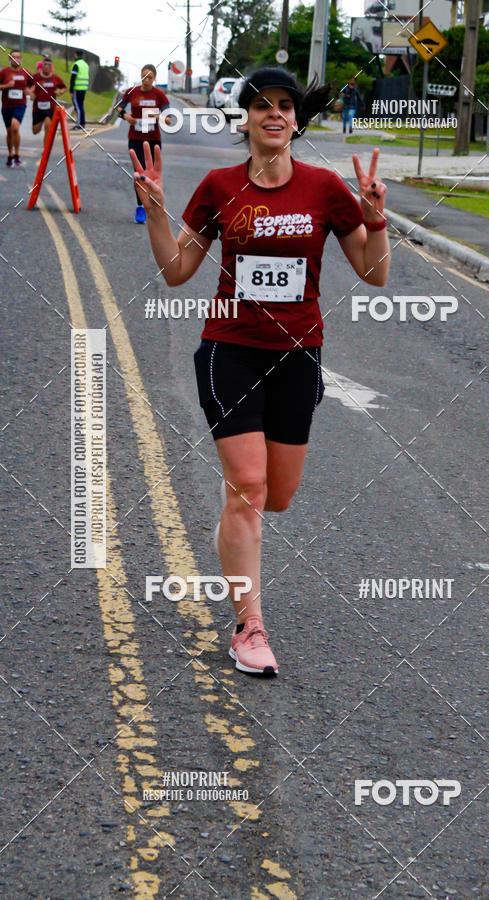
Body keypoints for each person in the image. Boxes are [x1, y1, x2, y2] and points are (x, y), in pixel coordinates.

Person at [130, 67, 390, 677]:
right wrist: (159, 211)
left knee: (277, 496)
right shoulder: (219, 187)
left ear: (296, 122)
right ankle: (249, 626)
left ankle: (234, 540)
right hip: (230, 348)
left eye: (285, 106)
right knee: (247, 487)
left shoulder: (325, 188)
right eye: (261, 105)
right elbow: (176, 271)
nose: (274, 114)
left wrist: (375, 216)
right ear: (244, 118)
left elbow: (375, 274)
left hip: (298, 356)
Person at [116, 64, 170, 224]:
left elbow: (169, 118)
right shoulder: (132, 92)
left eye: (150, 77)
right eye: (144, 76)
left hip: (153, 139)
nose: (146, 80)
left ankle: (152, 205)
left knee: (152, 176)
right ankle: (140, 207)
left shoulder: (159, 95)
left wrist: (158, 116)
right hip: (135, 139)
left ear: (154, 79)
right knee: (139, 175)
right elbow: (118, 108)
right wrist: (126, 117)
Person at [0, 49, 33, 167]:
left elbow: (33, 84)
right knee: (9, 132)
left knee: (15, 127)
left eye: (18, 57)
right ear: (9, 59)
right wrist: (6, 86)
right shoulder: (4, 72)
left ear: (21, 59)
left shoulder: (25, 72)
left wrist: (30, 91)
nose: (16, 59)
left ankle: (17, 154)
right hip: (6, 106)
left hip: (20, 105)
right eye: (13, 57)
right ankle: (10, 155)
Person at [32, 56, 66, 139]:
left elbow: (64, 87)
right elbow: (27, 86)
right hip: (37, 108)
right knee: (35, 131)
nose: (47, 66)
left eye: (49, 65)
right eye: (45, 64)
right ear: (42, 66)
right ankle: (42, 120)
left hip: (50, 108)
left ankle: (45, 151)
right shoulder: (35, 77)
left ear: (51, 67)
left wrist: (60, 92)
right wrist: (31, 93)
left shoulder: (55, 78)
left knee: (48, 127)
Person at [70, 50, 89, 130]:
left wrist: (71, 90)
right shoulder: (85, 65)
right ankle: (82, 123)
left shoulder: (76, 64)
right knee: (81, 106)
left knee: (77, 107)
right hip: (84, 89)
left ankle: (79, 125)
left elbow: (73, 78)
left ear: (75, 55)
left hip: (77, 89)